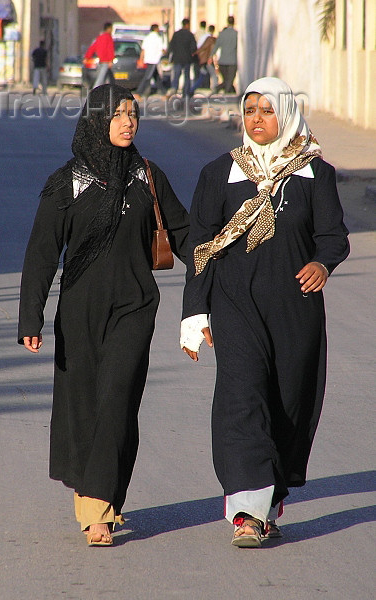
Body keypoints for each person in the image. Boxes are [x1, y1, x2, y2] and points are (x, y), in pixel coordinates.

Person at [180, 77, 349, 548]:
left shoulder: (316, 174)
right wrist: (196, 314)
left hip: (295, 309)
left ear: (287, 115)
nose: (256, 118)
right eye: (249, 109)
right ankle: (247, 513)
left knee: (289, 403)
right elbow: (201, 247)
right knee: (242, 398)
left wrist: (322, 263)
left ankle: (271, 499)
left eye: (266, 110)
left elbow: (333, 236)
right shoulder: (220, 174)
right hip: (235, 306)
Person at [18, 84, 189, 547]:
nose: (127, 122)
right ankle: (95, 495)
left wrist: (225, 273)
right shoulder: (67, 181)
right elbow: (41, 254)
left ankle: (99, 510)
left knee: (117, 399)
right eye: (117, 115)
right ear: (97, 119)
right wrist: (29, 319)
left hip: (134, 308)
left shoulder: (147, 176)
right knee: (83, 407)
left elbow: (184, 234)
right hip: (79, 312)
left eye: (133, 114)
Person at [167, 18, 197, 97]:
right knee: (186, 76)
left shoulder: (176, 34)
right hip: (187, 59)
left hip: (177, 58)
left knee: (176, 75)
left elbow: (171, 46)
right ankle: (186, 93)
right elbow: (194, 48)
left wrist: (170, 55)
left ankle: (174, 90)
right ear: (187, 25)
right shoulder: (190, 35)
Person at [135, 24, 165, 99]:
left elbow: (143, 50)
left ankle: (163, 93)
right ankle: (138, 93)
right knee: (147, 77)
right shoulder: (158, 38)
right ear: (155, 29)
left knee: (156, 77)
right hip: (154, 60)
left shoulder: (147, 38)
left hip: (148, 59)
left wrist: (141, 59)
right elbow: (162, 49)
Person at [84, 22, 115, 89]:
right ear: (109, 29)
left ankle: (108, 92)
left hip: (101, 61)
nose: (112, 30)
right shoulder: (108, 37)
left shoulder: (99, 38)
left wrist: (87, 57)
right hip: (106, 61)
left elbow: (92, 47)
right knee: (101, 78)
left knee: (108, 78)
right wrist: (111, 60)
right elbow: (110, 49)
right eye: (111, 28)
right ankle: (95, 91)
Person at [212, 15, 237, 94]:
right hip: (232, 61)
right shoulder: (236, 34)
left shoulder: (222, 33)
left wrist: (211, 56)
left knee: (226, 80)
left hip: (222, 61)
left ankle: (218, 89)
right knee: (229, 81)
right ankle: (222, 92)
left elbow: (216, 46)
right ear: (234, 22)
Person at [190, 25, 218, 94]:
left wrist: (196, 53)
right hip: (208, 60)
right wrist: (211, 58)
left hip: (203, 60)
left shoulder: (205, 38)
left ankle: (193, 88)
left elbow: (202, 47)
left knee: (203, 75)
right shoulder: (211, 39)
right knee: (213, 74)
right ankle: (214, 88)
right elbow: (207, 48)